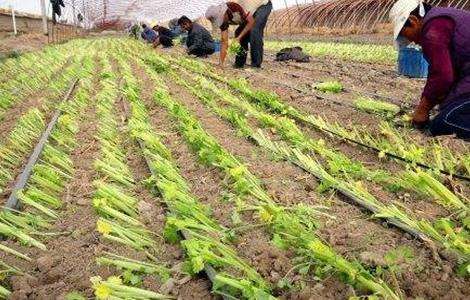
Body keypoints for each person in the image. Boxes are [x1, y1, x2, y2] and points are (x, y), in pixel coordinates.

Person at [390, 0, 470, 139]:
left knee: (443, 123)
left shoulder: (433, 28)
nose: (410, 41)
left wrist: (423, 109)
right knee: (449, 106)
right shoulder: (441, 18)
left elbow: (442, 76)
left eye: (405, 33)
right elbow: (445, 73)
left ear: (413, 20)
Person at [205, 0, 273, 68]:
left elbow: (251, 22)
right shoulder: (222, 22)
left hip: (262, 5)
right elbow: (224, 41)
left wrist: (239, 37)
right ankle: (239, 63)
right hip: (250, 14)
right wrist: (221, 63)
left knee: (254, 31)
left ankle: (256, 65)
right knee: (238, 32)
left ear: (223, 13)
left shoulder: (235, 7)